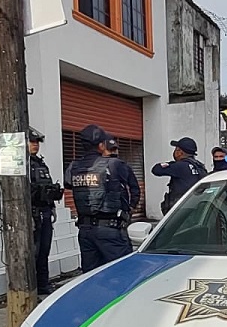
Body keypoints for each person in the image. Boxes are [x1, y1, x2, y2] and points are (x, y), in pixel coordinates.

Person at [65, 124, 140, 272]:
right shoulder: (114, 164)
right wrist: (131, 208)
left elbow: (68, 184)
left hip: (85, 231)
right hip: (110, 230)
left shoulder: (74, 167)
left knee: (91, 275)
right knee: (121, 273)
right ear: (101, 145)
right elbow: (134, 187)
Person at [27, 129, 63, 296]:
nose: (35, 145)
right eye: (32, 141)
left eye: (37, 142)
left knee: (44, 251)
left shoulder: (41, 163)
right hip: (32, 213)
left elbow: (47, 188)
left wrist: (52, 206)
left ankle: (43, 284)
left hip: (45, 211)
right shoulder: (23, 165)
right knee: (33, 252)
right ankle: (30, 287)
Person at [153, 136, 208, 214]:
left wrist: (169, 164)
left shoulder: (179, 166)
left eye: (176, 149)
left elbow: (156, 170)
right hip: (197, 207)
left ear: (180, 152)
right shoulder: (199, 166)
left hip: (181, 210)